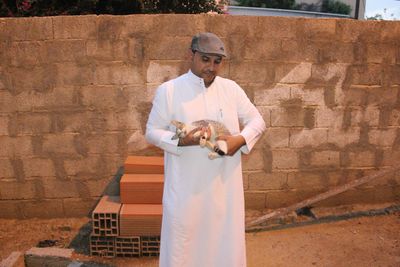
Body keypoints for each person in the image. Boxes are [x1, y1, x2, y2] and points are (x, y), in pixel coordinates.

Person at [145, 32, 266, 267]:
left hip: (225, 192)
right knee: (184, 251)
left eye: (217, 61)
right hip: (185, 194)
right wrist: (182, 140)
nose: (211, 67)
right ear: (191, 55)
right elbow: (152, 131)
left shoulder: (231, 90)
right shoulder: (169, 91)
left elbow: (258, 122)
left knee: (224, 250)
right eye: (205, 59)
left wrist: (239, 140)